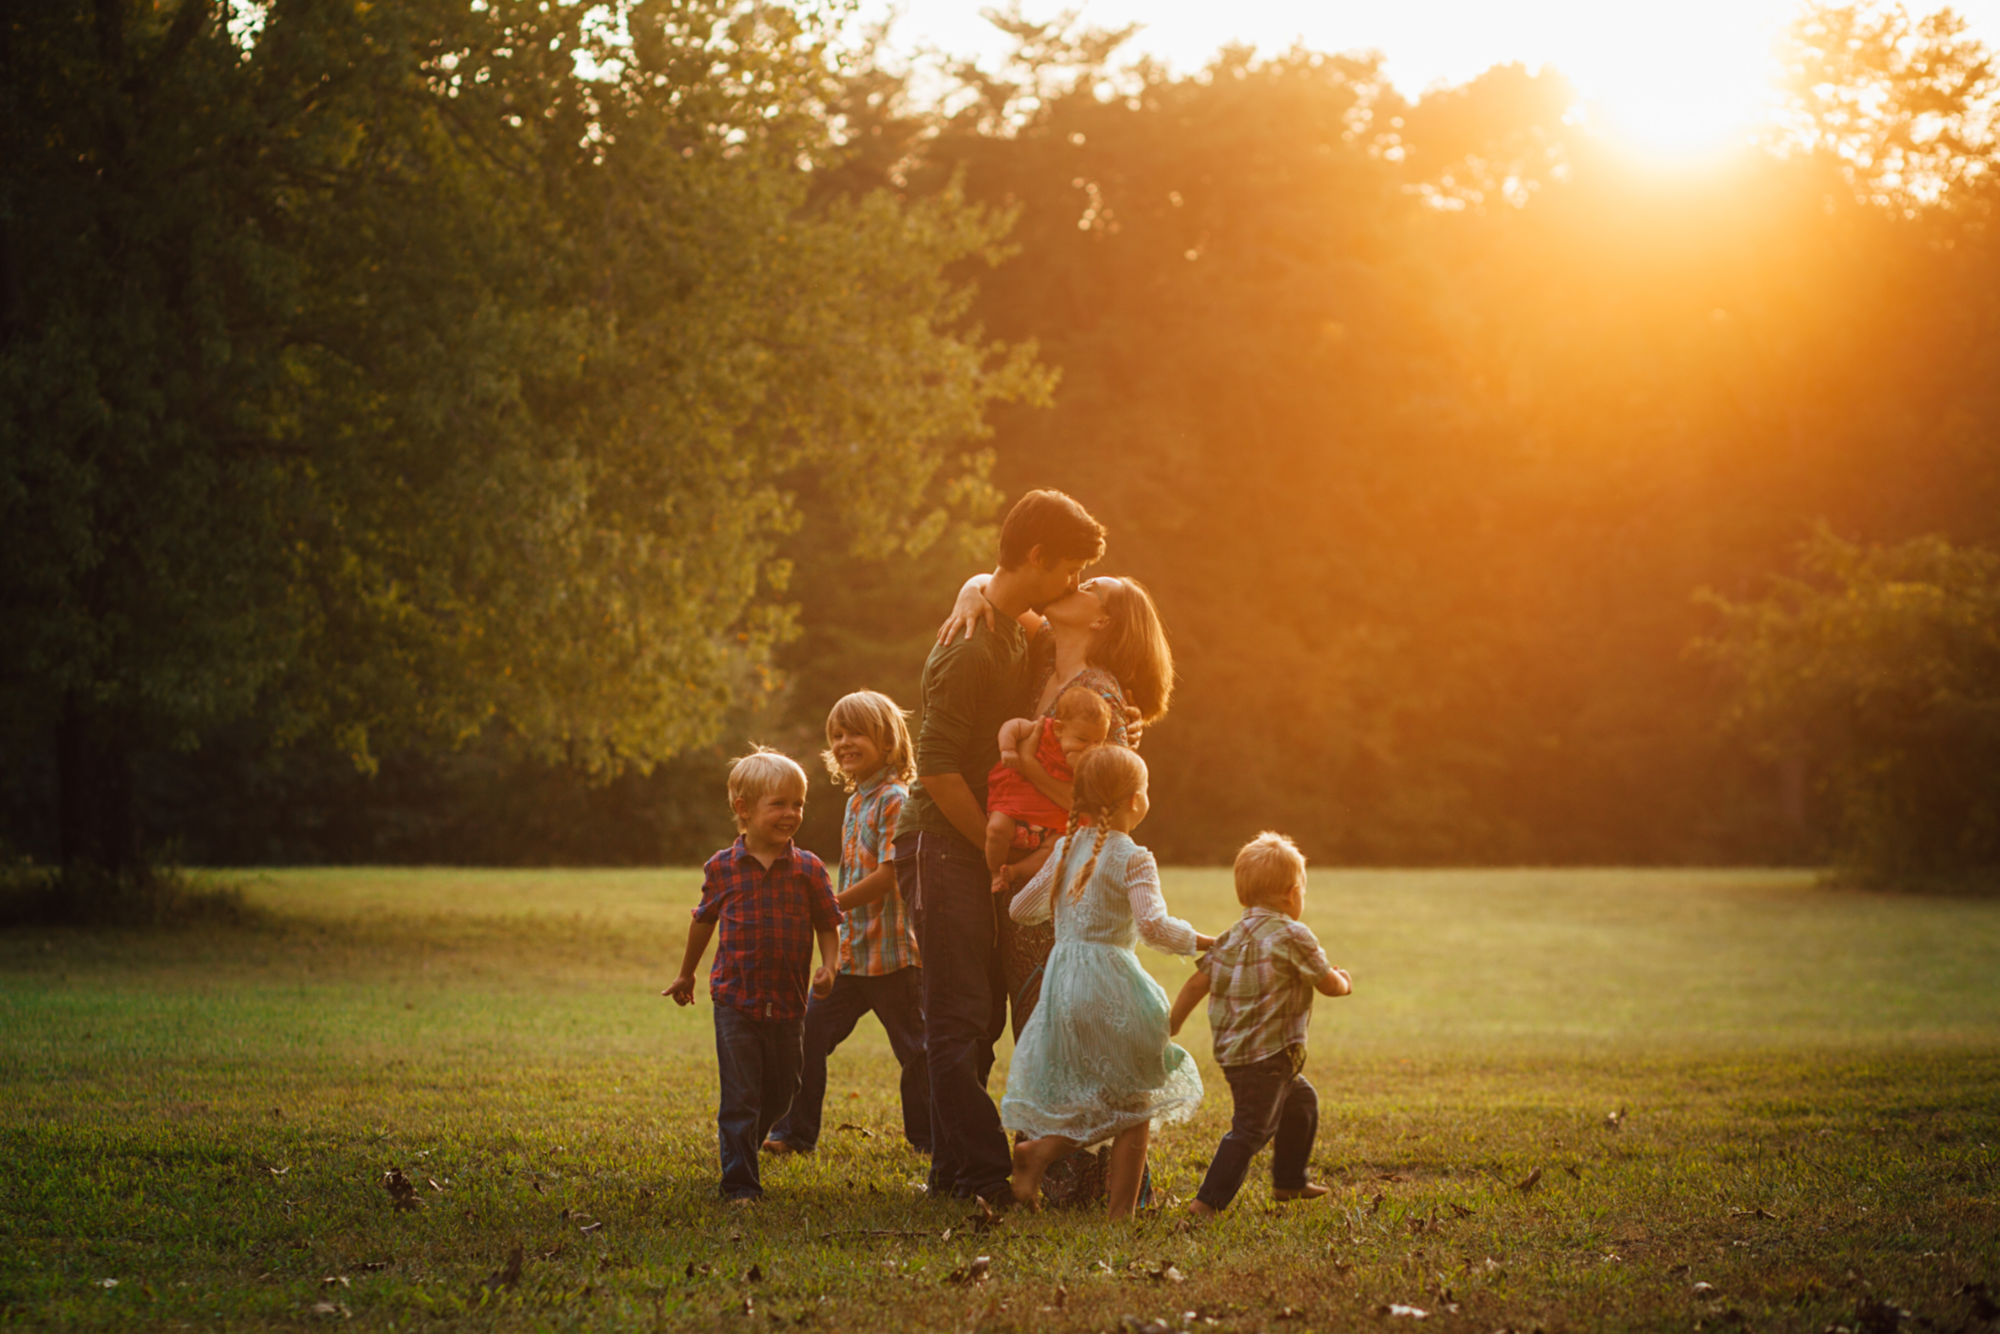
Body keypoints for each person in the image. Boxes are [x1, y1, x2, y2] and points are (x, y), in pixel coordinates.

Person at [896, 489, 1107, 1206]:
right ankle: (983, 1175)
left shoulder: (1012, 625)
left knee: (979, 1015)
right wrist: (989, 852)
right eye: (1070, 568)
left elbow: (999, 587)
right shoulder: (971, 646)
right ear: (1039, 555)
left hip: (979, 847)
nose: (1075, 585)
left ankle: (952, 1174)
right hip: (941, 840)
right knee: (957, 1014)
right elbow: (934, 766)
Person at [1002, 746, 1214, 1219]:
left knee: (1103, 1098)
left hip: (1063, 987)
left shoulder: (1062, 849)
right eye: (1145, 791)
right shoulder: (1133, 858)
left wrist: (1064, 914)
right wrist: (1207, 941)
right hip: (1110, 986)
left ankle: (1038, 1153)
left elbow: (1020, 911)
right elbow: (1154, 927)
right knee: (1134, 1105)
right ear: (1132, 801)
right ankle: (1119, 1215)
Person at [665, 748, 841, 1202]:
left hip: (787, 1003)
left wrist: (830, 963)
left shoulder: (809, 868)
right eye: (778, 804)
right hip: (735, 1000)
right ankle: (739, 1183)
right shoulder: (722, 867)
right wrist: (686, 975)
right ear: (743, 808)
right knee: (741, 1095)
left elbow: (827, 921)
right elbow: (703, 919)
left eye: (798, 804)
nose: (791, 814)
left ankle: (747, 1144)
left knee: (785, 1090)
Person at [764, 691, 930, 1157]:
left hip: (896, 957)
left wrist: (828, 905)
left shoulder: (896, 799)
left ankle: (930, 1140)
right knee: (806, 1036)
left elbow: (890, 875)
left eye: (855, 733)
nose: (843, 742)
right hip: (855, 956)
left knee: (917, 1053)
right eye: (836, 735)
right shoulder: (857, 801)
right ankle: (794, 1134)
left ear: (888, 740)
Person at [1169, 832, 1353, 1216]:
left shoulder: (1230, 937)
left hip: (1237, 1053)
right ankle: (1206, 1203)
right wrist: (1344, 980)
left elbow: (1197, 982)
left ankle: (1289, 1181)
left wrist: (1173, 1022)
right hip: (1269, 1055)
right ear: (1291, 894)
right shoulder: (1294, 935)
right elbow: (1328, 984)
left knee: (1301, 1101)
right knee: (1252, 1130)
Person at [983, 685, 1112, 877]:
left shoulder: (1092, 762)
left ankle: (1014, 872)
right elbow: (1013, 726)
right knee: (996, 829)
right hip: (1015, 805)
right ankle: (995, 871)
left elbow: (1092, 796)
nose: (1091, 748)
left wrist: (1082, 767)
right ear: (1059, 728)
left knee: (1056, 851)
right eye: (1083, 739)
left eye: (1098, 741)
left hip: (1054, 822)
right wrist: (1008, 748)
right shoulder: (1043, 729)